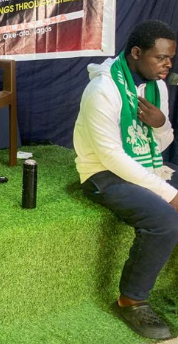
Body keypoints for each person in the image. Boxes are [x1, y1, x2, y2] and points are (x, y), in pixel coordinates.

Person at [74, 19, 178, 340]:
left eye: (170, 58)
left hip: (144, 165)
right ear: (136, 53)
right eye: (160, 57)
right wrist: (169, 195)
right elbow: (111, 157)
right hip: (101, 172)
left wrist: (160, 124)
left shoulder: (157, 87)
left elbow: (161, 145)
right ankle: (131, 301)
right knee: (164, 219)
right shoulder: (102, 90)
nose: (168, 65)